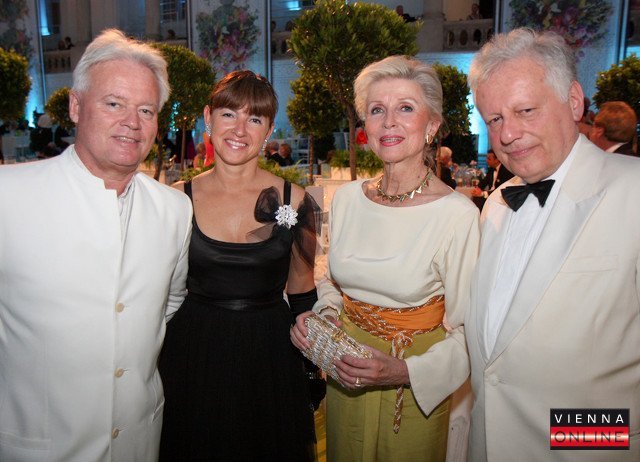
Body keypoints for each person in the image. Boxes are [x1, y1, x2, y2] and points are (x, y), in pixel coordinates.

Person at [0, 29, 192, 461]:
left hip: (139, 443)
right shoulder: (7, 196)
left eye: (146, 110)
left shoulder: (174, 209)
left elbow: (168, 302)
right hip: (37, 447)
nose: (132, 122)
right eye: (114, 104)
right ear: (75, 105)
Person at [291, 55, 480, 461]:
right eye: (377, 110)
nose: (389, 122)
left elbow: (471, 333)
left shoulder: (457, 215)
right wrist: (325, 318)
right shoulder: (347, 199)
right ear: (366, 127)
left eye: (406, 108)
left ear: (432, 126)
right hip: (346, 372)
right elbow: (333, 283)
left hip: (413, 385)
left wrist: (404, 371)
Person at [465, 28, 640, 461]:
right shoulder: (495, 205)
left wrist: (584, 440)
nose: (508, 134)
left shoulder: (634, 192)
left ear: (574, 102)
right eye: (494, 119)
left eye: (525, 110)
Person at [159, 70, 323, 461]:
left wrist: (313, 362)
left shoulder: (297, 200)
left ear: (269, 129)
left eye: (255, 119)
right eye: (229, 114)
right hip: (194, 354)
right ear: (208, 117)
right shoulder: (176, 200)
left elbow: (302, 290)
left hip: (268, 357)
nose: (239, 129)